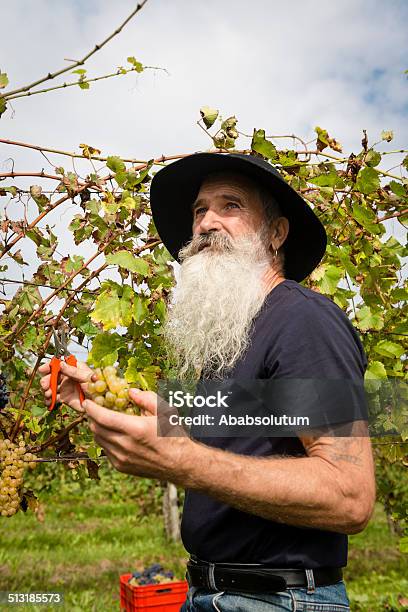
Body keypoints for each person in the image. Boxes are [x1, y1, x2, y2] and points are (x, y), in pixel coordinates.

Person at [39, 153, 376, 611]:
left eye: (231, 205)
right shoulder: (231, 332)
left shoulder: (303, 321)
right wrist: (101, 395)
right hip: (211, 593)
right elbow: (231, 444)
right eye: (200, 210)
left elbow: (350, 495)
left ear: (276, 233)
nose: (206, 223)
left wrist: (182, 462)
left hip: (280, 600)